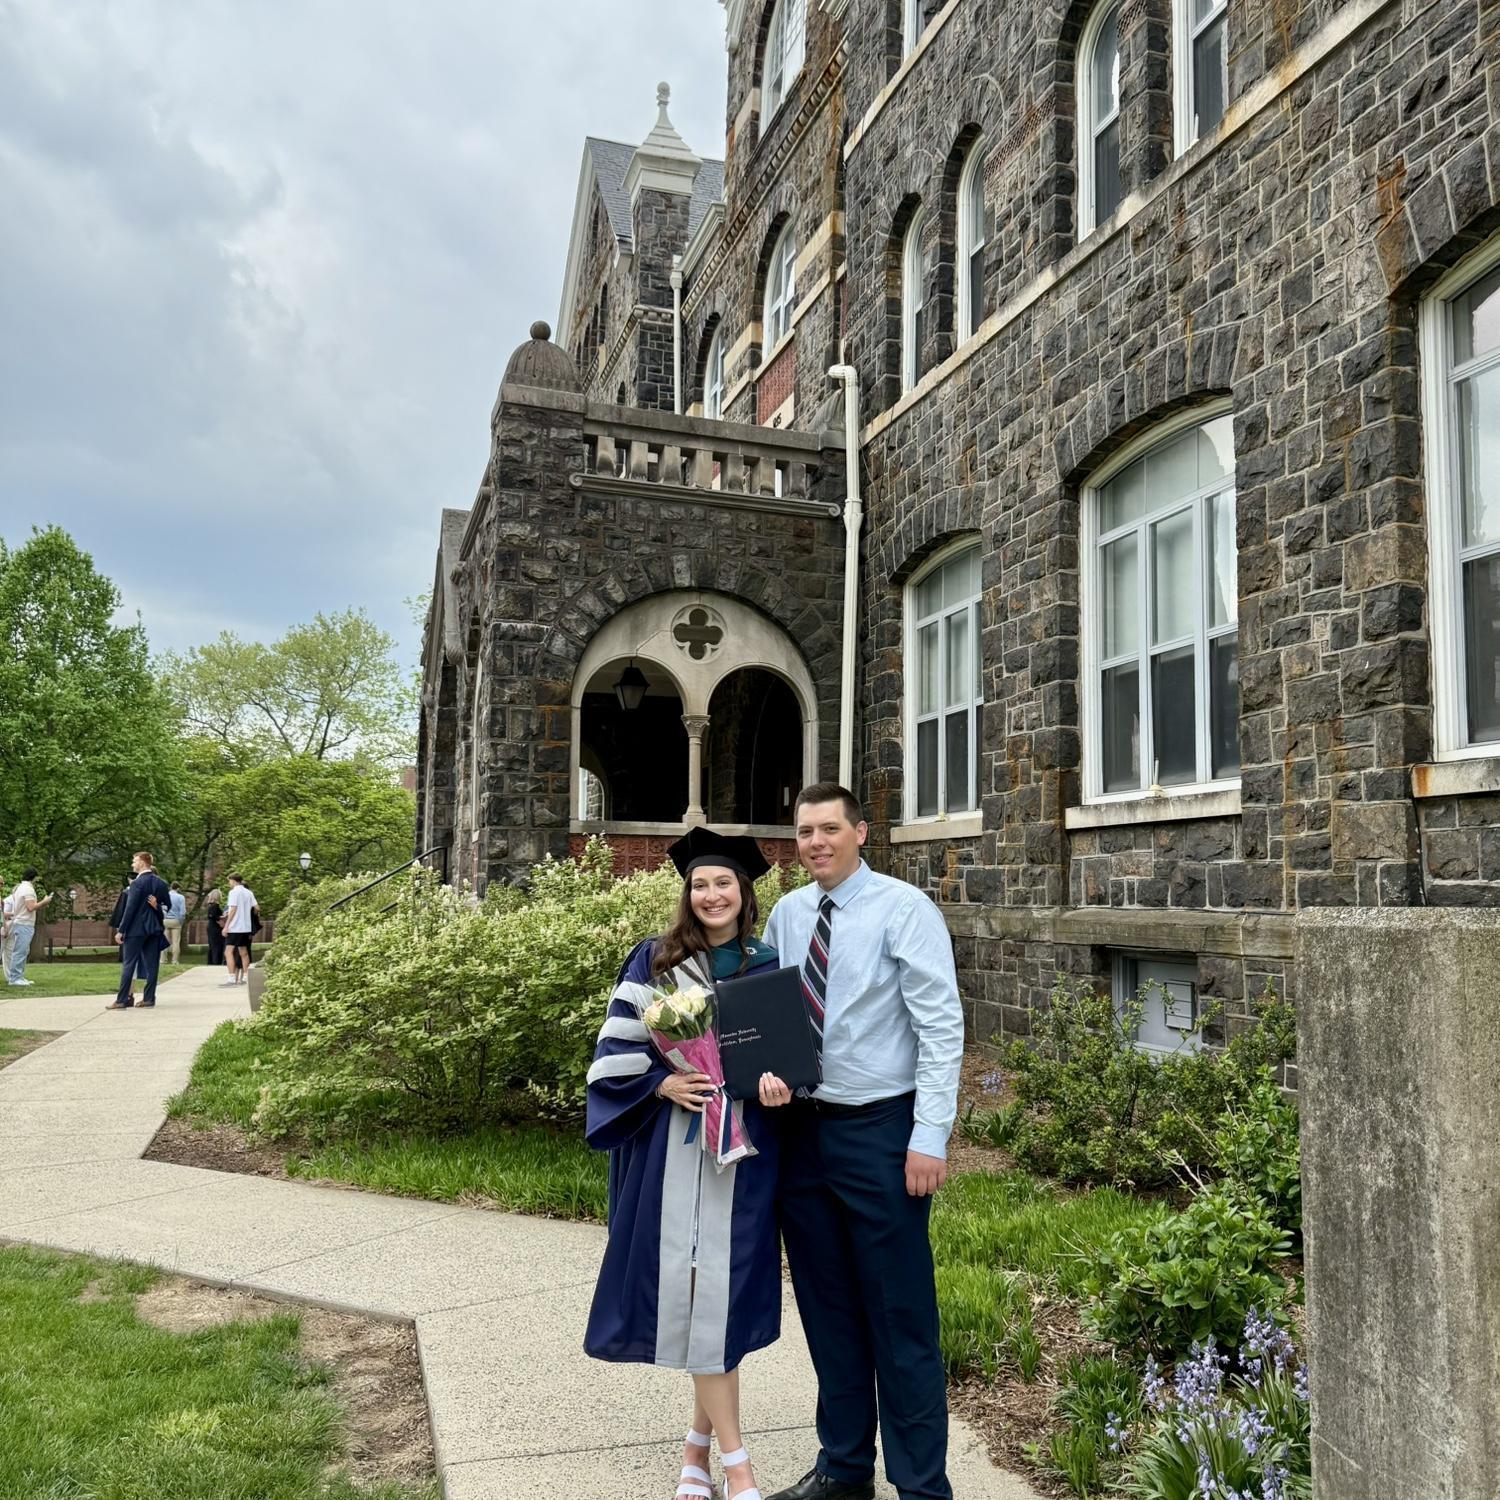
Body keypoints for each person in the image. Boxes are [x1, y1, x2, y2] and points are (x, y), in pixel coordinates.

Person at [762, 785, 964, 1500]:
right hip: (804, 1139)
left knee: (900, 1316)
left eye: (829, 829)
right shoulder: (788, 915)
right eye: (804, 831)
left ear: (860, 832)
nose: (815, 842)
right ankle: (843, 1470)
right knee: (828, 1310)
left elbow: (940, 1027)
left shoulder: (904, 911)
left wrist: (928, 1137)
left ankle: (920, 1486)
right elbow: (774, 1015)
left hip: (881, 1133)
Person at [584, 826, 793, 1500]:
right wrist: (659, 1084)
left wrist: (781, 1084)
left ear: (744, 893)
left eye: (722, 883)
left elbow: (790, 1059)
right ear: (687, 893)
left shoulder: (765, 965)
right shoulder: (654, 961)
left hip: (744, 1154)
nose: (710, 895)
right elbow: (615, 1050)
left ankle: (695, 1453)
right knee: (698, 1293)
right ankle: (739, 1468)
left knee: (720, 1301)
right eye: (699, 884)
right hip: (675, 1154)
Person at [109, 852, 171, 1010]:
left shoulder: (137, 884)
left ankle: (122, 999)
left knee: (129, 963)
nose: (132, 864)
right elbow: (167, 906)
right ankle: (149, 998)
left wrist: (121, 930)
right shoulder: (161, 883)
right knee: (152, 965)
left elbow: (130, 909)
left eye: (134, 861)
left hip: (136, 930)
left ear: (143, 863)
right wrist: (156, 907)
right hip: (154, 929)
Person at [5, 869, 55, 986]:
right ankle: (15, 978)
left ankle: (19, 977)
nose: (37, 882)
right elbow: (30, 907)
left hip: (21, 922)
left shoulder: (20, 888)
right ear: (34, 878)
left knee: (22, 951)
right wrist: (44, 901)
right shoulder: (28, 889)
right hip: (24, 923)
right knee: (20, 951)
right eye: (37, 879)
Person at [109, 874, 148, 1005]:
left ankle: (128, 996)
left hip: (131, 932)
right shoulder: (150, 892)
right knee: (145, 964)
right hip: (147, 931)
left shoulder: (127, 893)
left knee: (130, 964)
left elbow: (122, 915)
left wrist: (120, 930)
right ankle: (145, 996)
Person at [220, 873, 257, 986]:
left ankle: (231, 978)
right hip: (246, 927)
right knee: (243, 952)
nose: (229, 883)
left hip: (235, 927)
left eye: (229, 881)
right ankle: (245, 976)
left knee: (228, 952)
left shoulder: (233, 892)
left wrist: (226, 925)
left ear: (234, 880)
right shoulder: (248, 892)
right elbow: (257, 907)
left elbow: (234, 909)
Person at [163, 882, 187, 965]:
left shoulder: (165, 895)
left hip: (165, 920)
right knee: (176, 942)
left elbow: (163, 908)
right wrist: (181, 921)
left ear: (170, 887)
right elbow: (183, 912)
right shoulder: (181, 897)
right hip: (176, 920)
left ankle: (163, 960)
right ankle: (174, 960)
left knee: (164, 941)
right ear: (178, 888)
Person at [204, 887, 226, 968]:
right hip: (215, 928)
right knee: (217, 945)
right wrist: (222, 918)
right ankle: (216, 961)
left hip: (211, 927)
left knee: (212, 945)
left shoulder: (211, 906)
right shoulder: (215, 906)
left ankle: (211, 961)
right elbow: (214, 916)